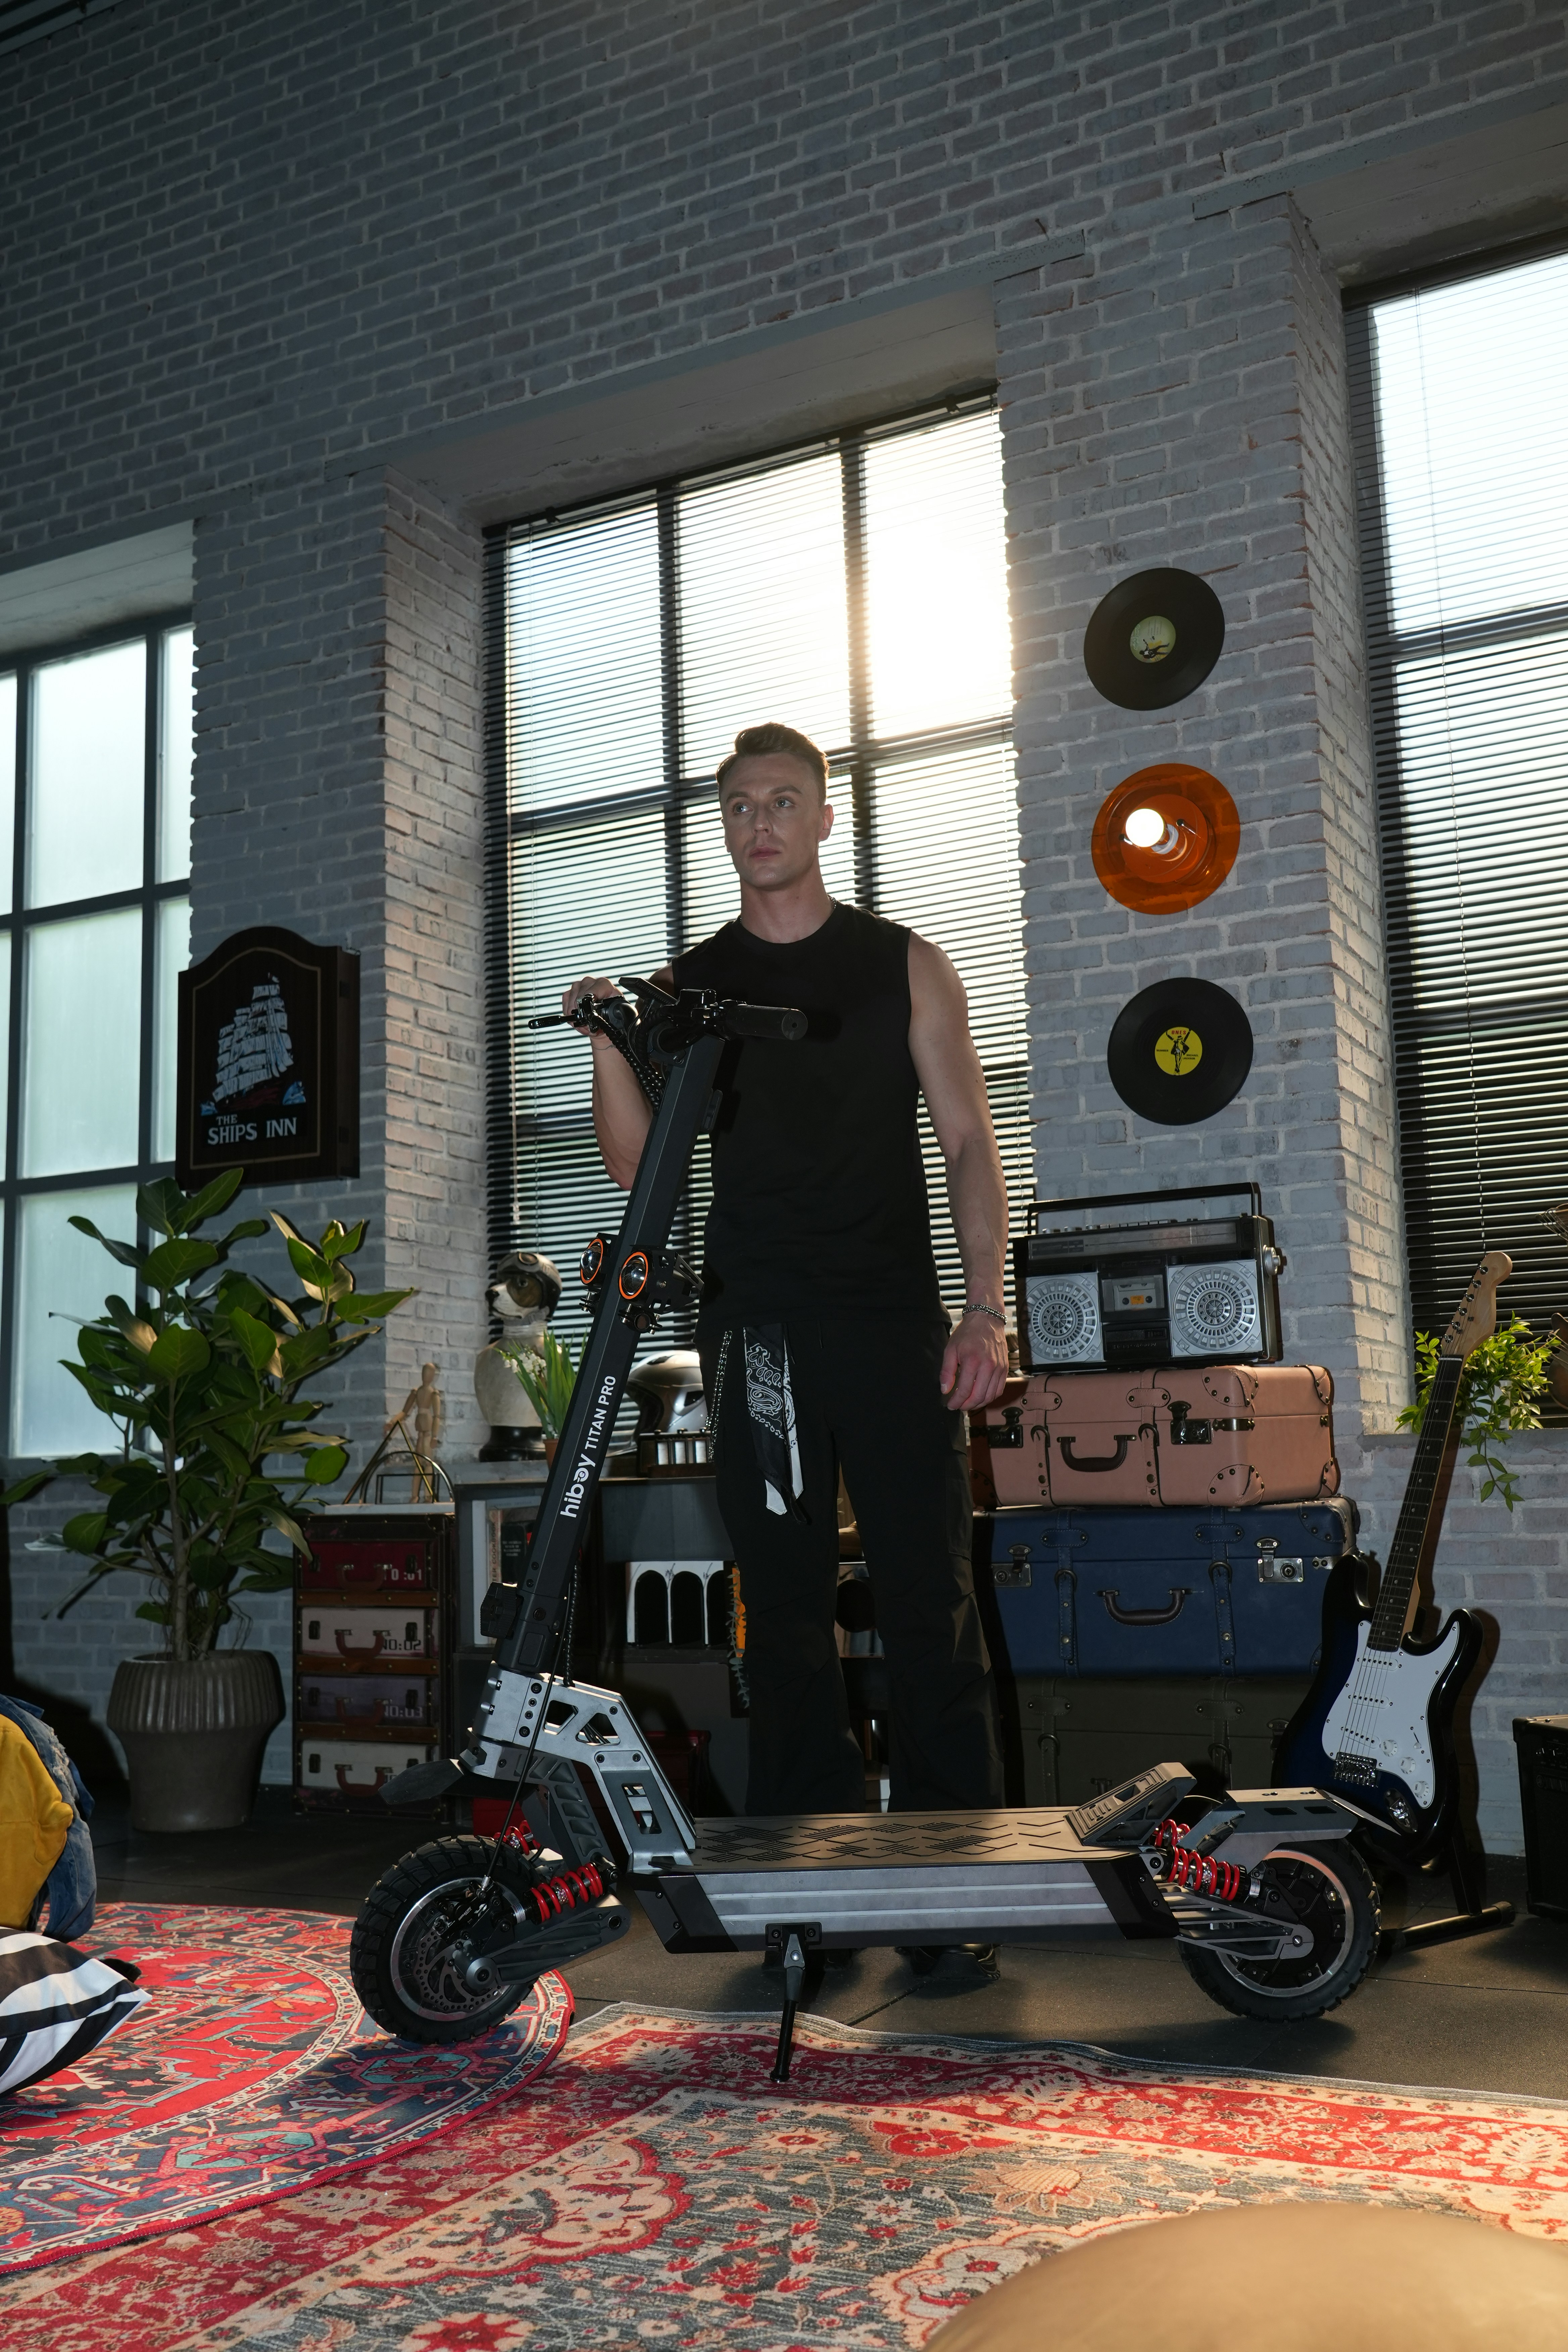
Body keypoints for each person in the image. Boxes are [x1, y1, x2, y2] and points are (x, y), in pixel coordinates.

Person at [565, 720, 1011, 1986]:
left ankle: (946, 1888)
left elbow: (970, 1141)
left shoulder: (904, 965)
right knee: (787, 1618)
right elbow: (642, 1169)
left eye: (784, 801)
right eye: (739, 806)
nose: (761, 822)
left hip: (893, 1322)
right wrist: (609, 1035)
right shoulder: (694, 989)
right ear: (724, 829)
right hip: (755, 1331)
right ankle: (810, 1885)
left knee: (931, 1601)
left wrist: (985, 1312)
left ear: (824, 819)